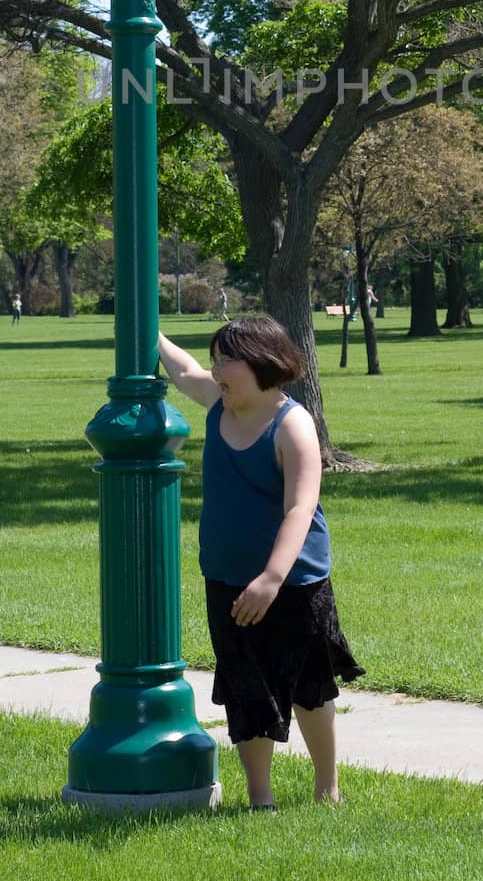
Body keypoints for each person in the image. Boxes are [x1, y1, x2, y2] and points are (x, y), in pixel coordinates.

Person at [158, 316, 363, 810]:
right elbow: (183, 371)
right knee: (245, 685)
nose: (215, 370)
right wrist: (148, 332)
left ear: (259, 363)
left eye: (225, 360)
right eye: (215, 360)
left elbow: (300, 507)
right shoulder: (219, 404)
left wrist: (272, 578)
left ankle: (326, 787)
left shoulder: (292, 424)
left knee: (309, 688)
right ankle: (260, 797)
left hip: (294, 583)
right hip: (227, 578)